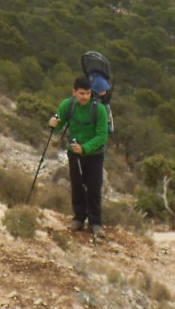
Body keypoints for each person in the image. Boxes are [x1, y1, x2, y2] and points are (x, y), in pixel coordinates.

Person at [49, 75, 109, 235]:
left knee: (94, 188)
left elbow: (102, 135)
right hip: (74, 153)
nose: (85, 97)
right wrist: (53, 123)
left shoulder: (99, 109)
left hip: (94, 154)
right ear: (74, 92)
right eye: (82, 93)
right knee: (77, 186)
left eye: (88, 93)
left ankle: (96, 222)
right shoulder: (67, 105)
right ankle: (79, 219)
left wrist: (85, 148)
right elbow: (58, 124)